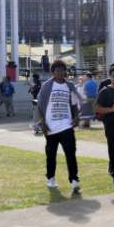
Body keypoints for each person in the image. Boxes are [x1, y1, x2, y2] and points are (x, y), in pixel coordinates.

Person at [37, 59, 81, 191]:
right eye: (57, 70)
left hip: (66, 125)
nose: (60, 73)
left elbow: (74, 104)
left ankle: (74, 179)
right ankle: (50, 178)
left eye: (63, 70)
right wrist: (43, 123)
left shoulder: (70, 86)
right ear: (53, 72)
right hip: (50, 127)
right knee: (51, 155)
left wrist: (76, 118)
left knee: (71, 153)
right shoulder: (46, 86)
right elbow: (39, 105)